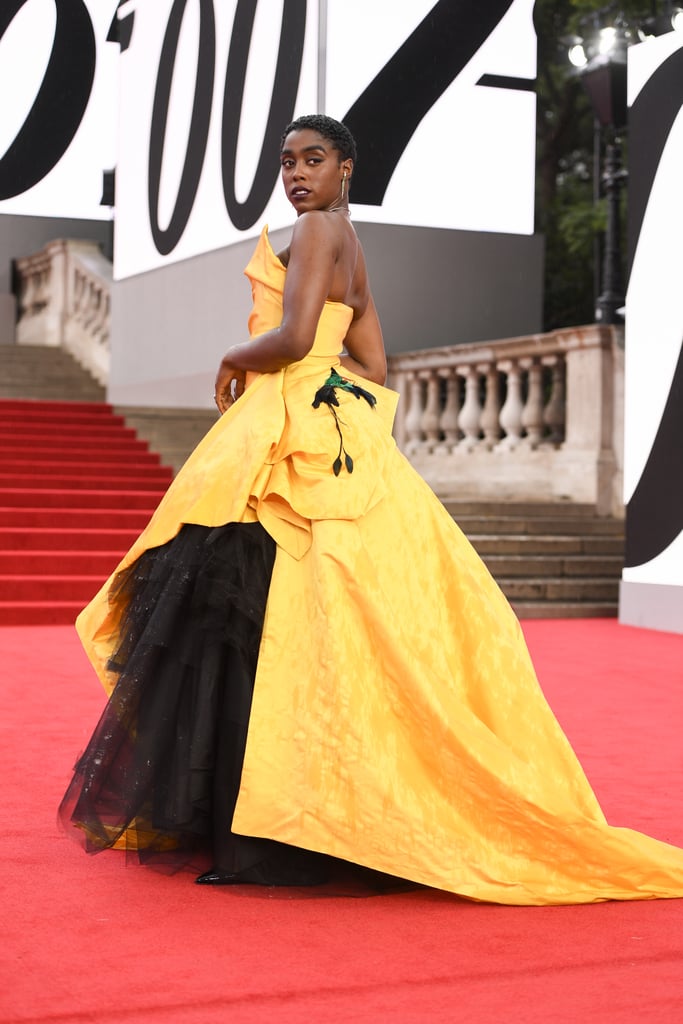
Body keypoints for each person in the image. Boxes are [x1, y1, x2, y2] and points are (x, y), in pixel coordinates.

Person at [60, 115, 683, 904]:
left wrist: (235, 358)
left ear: (345, 168)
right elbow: (375, 363)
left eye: (312, 160)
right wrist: (323, 375)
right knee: (290, 635)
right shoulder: (349, 242)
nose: (296, 175)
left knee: (250, 632)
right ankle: (275, 821)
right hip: (317, 434)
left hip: (291, 440)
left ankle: (258, 832)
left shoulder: (318, 229)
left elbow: (289, 338)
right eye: (286, 162)